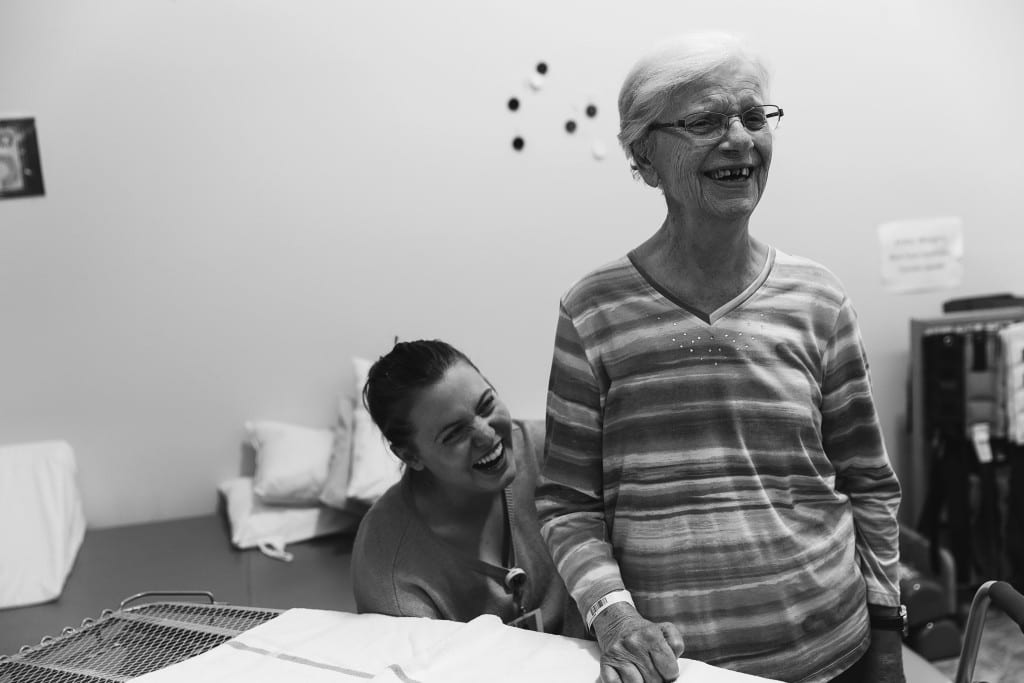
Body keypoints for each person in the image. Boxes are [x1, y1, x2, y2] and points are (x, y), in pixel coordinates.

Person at [536, 32, 904, 683]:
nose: (739, 138)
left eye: (755, 117)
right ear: (644, 160)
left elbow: (869, 483)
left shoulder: (819, 298)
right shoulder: (592, 311)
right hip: (677, 667)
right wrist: (615, 615)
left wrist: (886, 635)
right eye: (705, 120)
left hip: (833, 653)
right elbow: (568, 503)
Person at [351, 339, 586, 638]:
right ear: (410, 456)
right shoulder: (386, 561)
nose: (487, 435)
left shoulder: (556, 454)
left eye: (487, 405)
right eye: (454, 433)